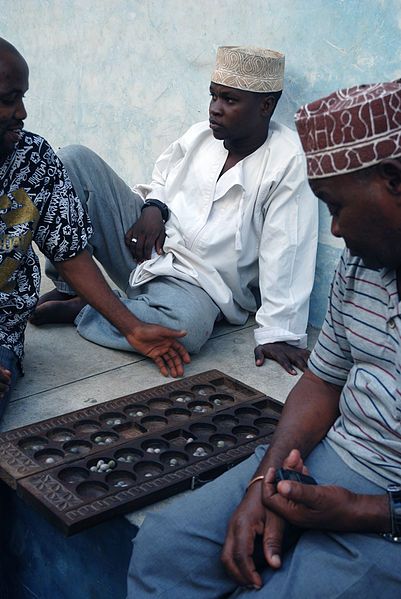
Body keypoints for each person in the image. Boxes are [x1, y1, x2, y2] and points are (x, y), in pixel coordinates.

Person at [126, 81, 401, 598]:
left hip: (389, 508)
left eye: (337, 206)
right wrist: (265, 480)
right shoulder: (361, 268)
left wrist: (364, 512)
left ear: (393, 180)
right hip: (327, 461)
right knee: (166, 549)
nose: (335, 230)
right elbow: (322, 383)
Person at [32, 46, 318, 375]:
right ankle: (72, 287)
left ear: (266, 106)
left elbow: (287, 248)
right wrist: (153, 207)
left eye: (229, 100)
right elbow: (162, 179)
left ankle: (89, 308)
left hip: (200, 286)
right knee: (70, 161)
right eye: (213, 96)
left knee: (186, 330)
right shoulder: (200, 135)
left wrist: (279, 332)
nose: (215, 109)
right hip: (146, 246)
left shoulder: (287, 162)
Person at [0, 37, 191, 420]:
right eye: (9, 99)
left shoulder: (33, 160)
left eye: (23, 97)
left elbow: (70, 254)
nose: (22, 112)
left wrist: (133, 328)